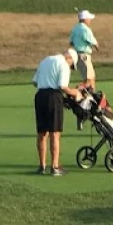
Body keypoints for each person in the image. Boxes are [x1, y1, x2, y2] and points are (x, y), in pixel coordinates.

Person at [33, 48, 83, 176]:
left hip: (40, 96)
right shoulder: (64, 65)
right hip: (53, 97)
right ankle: (55, 167)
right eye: (72, 65)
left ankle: (42, 166)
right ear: (70, 59)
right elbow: (63, 86)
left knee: (42, 133)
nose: (71, 68)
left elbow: (35, 82)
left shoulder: (45, 60)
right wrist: (76, 93)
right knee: (55, 133)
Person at [69, 10, 100, 87]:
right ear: (85, 19)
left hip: (78, 55)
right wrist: (97, 47)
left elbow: (71, 42)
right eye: (89, 18)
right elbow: (94, 42)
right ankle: (86, 94)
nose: (90, 20)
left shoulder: (75, 28)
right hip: (84, 56)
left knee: (90, 77)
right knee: (89, 79)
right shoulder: (85, 29)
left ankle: (91, 95)